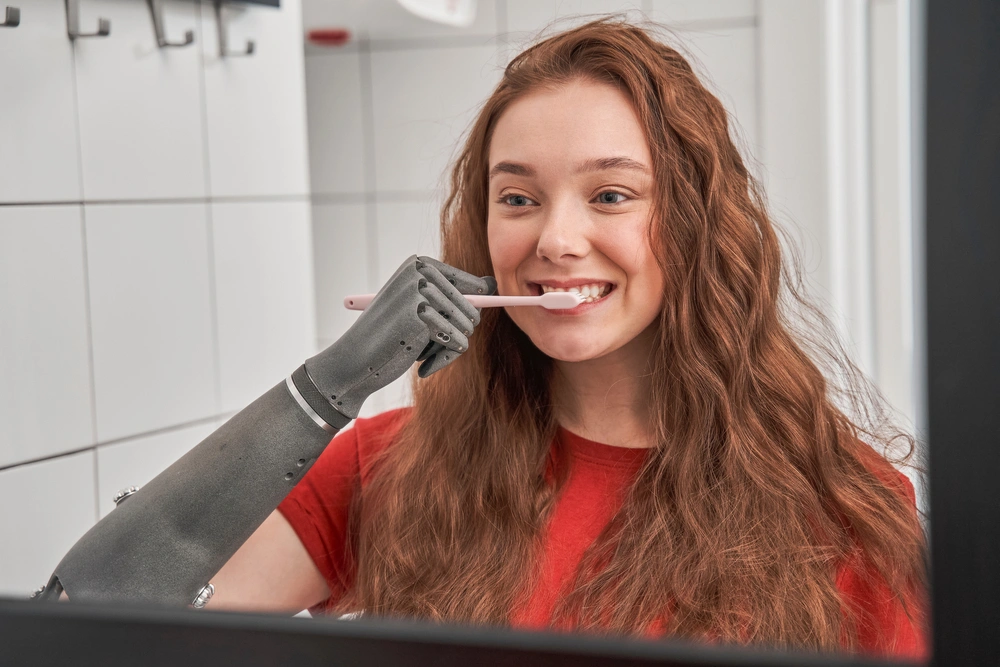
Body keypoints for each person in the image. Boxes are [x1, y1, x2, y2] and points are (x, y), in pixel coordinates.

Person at [47, 18, 928, 660]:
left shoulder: (844, 506)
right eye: (518, 197)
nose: (554, 238)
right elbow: (88, 611)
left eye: (611, 194)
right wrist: (325, 391)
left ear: (695, 226)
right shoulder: (387, 466)